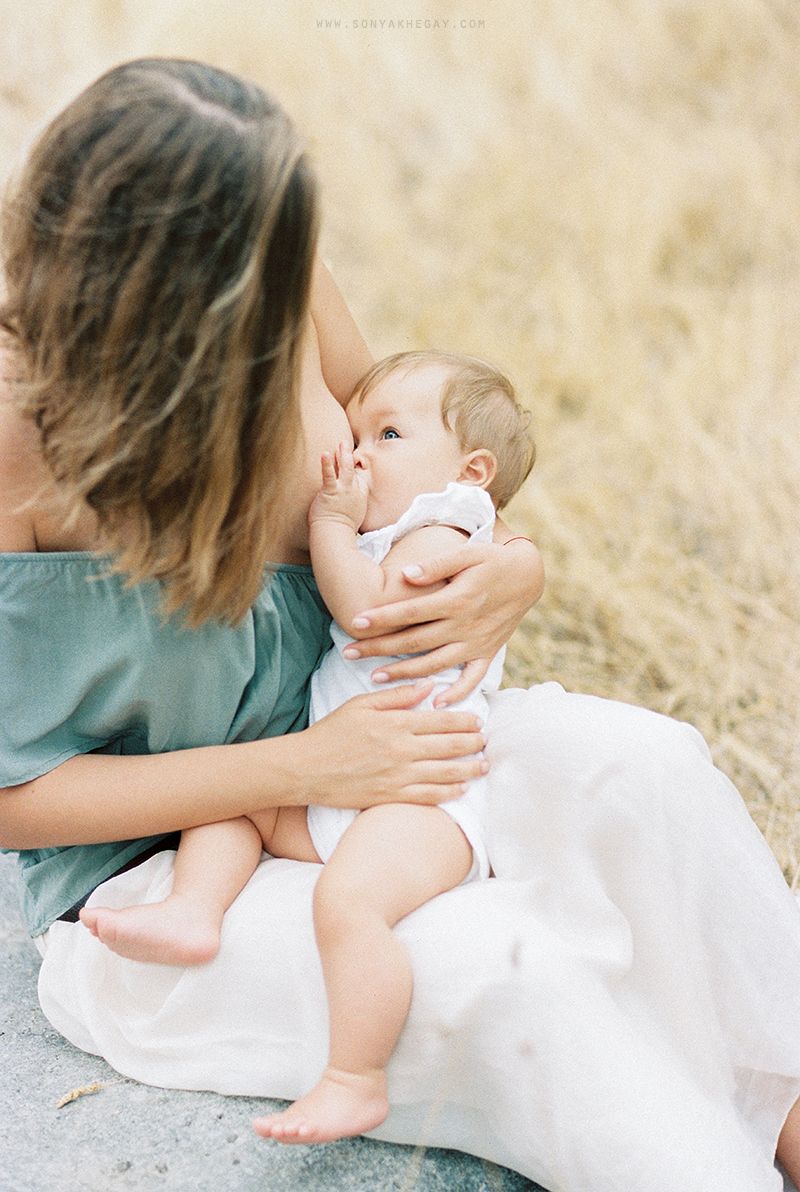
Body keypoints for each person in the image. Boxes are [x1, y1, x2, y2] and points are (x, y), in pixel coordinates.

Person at [2, 57, 800, 1192]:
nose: (285, 295)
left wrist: (512, 564)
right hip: (171, 872)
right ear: (151, 301)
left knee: (649, 771)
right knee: (515, 969)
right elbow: (10, 800)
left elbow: (413, 451)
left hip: (379, 746)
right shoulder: (18, 447)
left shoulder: (280, 276)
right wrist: (308, 764)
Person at [79, 348, 536, 1145]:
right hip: (350, 785)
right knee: (234, 805)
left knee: (347, 903)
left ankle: (355, 1078)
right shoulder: (406, 528)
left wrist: (329, 524)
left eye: (387, 435)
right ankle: (193, 910)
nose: (357, 452)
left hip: (423, 798)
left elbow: (367, 613)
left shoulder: (444, 530)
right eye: (355, 433)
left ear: (471, 472)